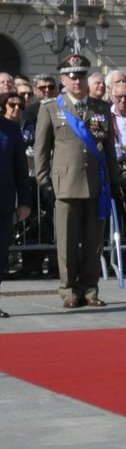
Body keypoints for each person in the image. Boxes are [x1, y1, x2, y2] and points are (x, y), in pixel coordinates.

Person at [33, 54, 120, 308]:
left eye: (81, 76)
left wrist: (114, 180)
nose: (77, 82)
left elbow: (109, 148)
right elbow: (41, 149)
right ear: (63, 80)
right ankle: (69, 289)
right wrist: (44, 181)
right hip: (66, 184)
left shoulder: (101, 108)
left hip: (96, 184)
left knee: (94, 242)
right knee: (67, 243)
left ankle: (90, 289)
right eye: (72, 77)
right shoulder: (51, 108)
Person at [0, 87, 32, 317]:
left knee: (0, 254)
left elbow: (21, 168)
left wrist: (25, 201)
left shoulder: (10, 129)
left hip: (3, 201)